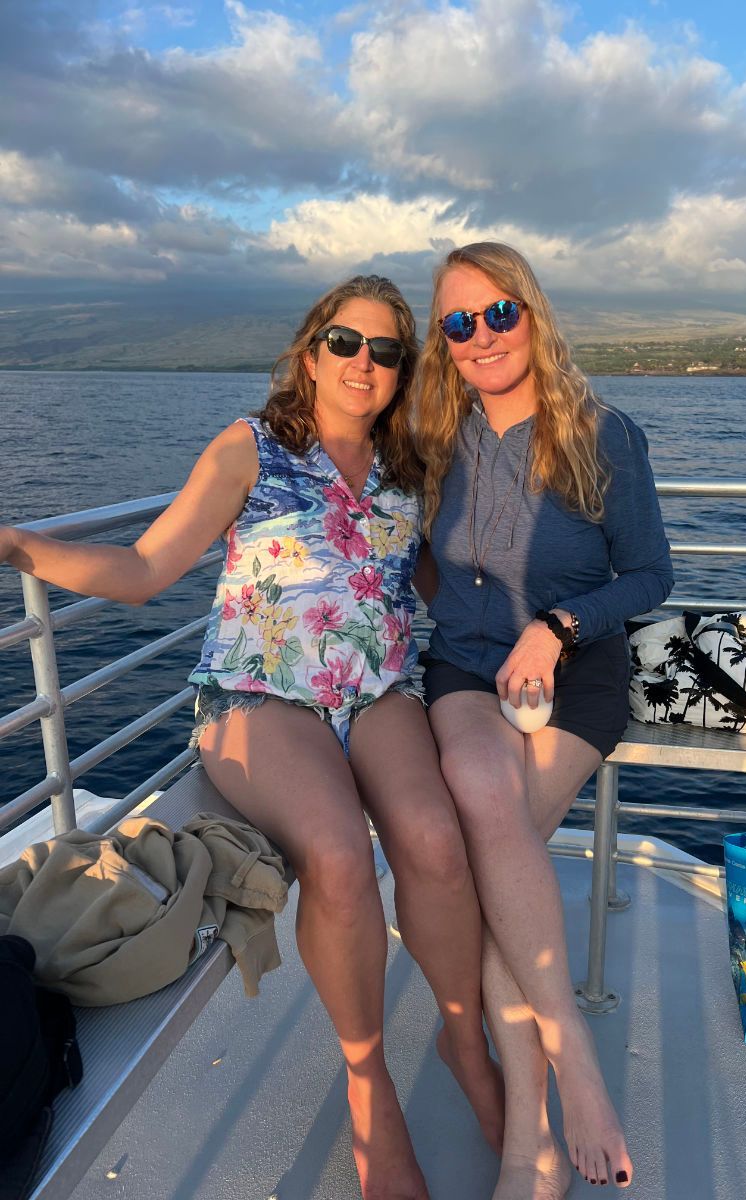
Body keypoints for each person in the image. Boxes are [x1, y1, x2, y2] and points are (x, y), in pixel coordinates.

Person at [0, 275, 504, 1200]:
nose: (365, 364)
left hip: (380, 687)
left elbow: (449, 586)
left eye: (388, 351)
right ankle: (368, 1084)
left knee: (437, 842)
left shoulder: (409, 470)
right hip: (261, 694)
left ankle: (464, 1035)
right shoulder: (252, 448)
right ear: (310, 352)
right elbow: (149, 566)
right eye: (346, 343)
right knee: (340, 858)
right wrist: (19, 546)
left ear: (404, 370)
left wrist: (556, 626)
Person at [413, 242, 674, 1196]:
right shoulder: (439, 439)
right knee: (486, 793)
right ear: (443, 344)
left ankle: (531, 1138)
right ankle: (575, 1073)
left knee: (493, 848)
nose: (480, 336)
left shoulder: (603, 434)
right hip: (465, 672)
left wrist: (560, 626)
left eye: (498, 314)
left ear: (533, 313)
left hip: (575, 671)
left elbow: (650, 573)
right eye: (457, 323)